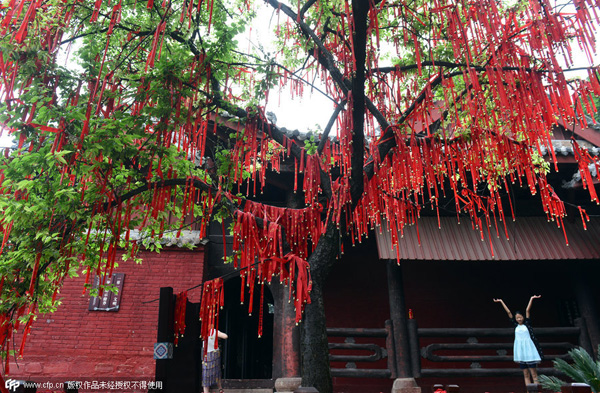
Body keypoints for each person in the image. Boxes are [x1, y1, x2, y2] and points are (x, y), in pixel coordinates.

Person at [493, 295, 544, 386]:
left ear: (523, 317)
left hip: (530, 350)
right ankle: (528, 390)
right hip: (521, 351)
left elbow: (527, 310)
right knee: (526, 374)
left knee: (534, 374)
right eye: (517, 318)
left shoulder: (527, 324)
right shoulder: (515, 325)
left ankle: (537, 390)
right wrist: (501, 301)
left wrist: (531, 298)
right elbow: (508, 312)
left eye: (520, 317)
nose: (519, 319)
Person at [202, 328, 228, 393]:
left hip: (210, 354)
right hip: (210, 354)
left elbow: (225, 336)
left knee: (209, 374)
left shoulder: (207, 330)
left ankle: (217, 389)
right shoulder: (212, 330)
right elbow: (225, 336)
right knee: (214, 373)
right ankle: (220, 389)